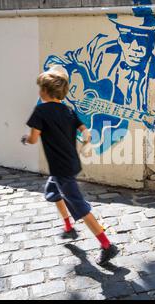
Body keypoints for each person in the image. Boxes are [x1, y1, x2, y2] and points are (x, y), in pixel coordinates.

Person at [43, 7, 155, 151]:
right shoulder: (100, 49)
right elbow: (56, 61)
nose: (135, 47)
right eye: (127, 38)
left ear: (152, 41)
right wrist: (66, 80)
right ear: (119, 37)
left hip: (130, 152)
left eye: (142, 39)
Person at [21, 66, 118, 265]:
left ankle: (107, 245)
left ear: (46, 92)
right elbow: (85, 130)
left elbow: (33, 138)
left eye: (40, 88)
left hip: (61, 169)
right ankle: (68, 226)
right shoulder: (68, 110)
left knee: (80, 207)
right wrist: (85, 136)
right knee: (53, 192)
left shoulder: (41, 111)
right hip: (69, 164)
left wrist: (25, 138)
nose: (39, 91)